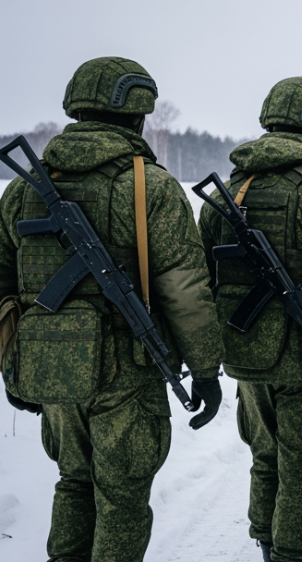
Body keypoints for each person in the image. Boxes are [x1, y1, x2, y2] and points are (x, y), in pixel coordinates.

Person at [0, 57, 224, 562]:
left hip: (51, 366)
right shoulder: (149, 186)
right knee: (122, 498)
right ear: (140, 115)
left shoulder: (22, 188)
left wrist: (15, 362)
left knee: (73, 482)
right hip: (127, 369)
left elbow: (2, 286)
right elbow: (186, 290)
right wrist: (206, 370)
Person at [198, 77, 302, 562]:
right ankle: (292, 553)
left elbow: (205, 272)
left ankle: (266, 540)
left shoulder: (230, 189)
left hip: (244, 350)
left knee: (265, 456)